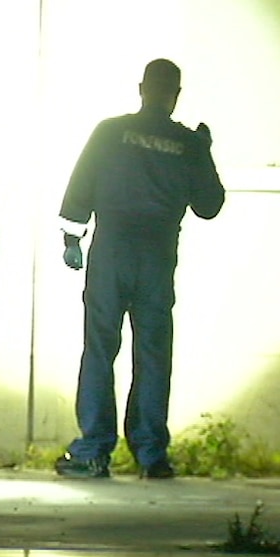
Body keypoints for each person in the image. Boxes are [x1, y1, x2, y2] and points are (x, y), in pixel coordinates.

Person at [55, 59, 225, 479]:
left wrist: (71, 240)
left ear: (141, 88)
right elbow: (210, 207)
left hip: (110, 249)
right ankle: (151, 456)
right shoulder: (187, 144)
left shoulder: (109, 131)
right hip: (158, 255)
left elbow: (78, 190)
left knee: (99, 349)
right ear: (176, 95)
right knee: (152, 355)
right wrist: (205, 150)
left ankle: (94, 451)